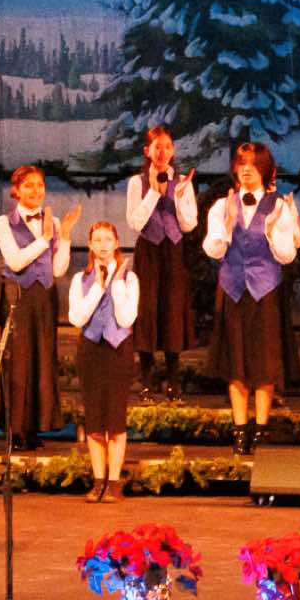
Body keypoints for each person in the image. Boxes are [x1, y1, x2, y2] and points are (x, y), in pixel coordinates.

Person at [202, 142, 300, 455]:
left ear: (265, 170)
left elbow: (287, 256)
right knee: (236, 362)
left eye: (253, 164)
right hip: (232, 289)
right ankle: (240, 430)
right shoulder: (222, 206)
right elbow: (212, 250)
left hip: (265, 292)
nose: (246, 169)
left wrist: (271, 233)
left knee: (264, 362)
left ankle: (261, 429)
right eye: (242, 163)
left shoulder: (278, 206)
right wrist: (228, 224)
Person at [0, 165, 77, 451]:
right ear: (16, 190)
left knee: (42, 360)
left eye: (39, 185)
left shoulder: (52, 221)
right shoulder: (4, 222)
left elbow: (57, 269)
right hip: (17, 295)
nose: (36, 190)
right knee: (18, 363)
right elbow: (16, 262)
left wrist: (64, 238)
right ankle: (16, 428)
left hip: (44, 297)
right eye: (28, 185)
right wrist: (44, 239)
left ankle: (35, 426)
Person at [124, 125, 197, 397]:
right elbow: (135, 222)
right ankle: (147, 379)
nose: (162, 152)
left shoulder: (183, 182)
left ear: (173, 150)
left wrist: (177, 198)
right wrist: (154, 193)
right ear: (147, 151)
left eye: (167, 146)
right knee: (147, 309)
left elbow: (189, 225)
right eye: (157, 147)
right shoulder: (137, 182)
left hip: (174, 251)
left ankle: (174, 380)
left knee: (172, 310)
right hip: (149, 250)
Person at [68, 221, 139, 503]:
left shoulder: (129, 279)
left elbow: (126, 318)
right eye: (97, 240)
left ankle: (114, 482)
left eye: (108, 239)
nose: (103, 245)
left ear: (116, 243)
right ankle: (98, 481)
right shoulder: (80, 279)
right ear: (90, 245)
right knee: (95, 421)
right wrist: (98, 287)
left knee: (115, 420)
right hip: (91, 351)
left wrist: (116, 284)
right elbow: (77, 318)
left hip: (118, 351)